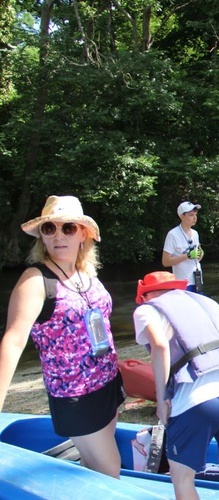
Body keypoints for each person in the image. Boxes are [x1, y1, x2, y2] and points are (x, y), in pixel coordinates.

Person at [0, 195, 125, 478]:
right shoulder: (35, 280)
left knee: (93, 467)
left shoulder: (86, 271)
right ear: (41, 237)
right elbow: (13, 340)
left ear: (83, 234)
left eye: (68, 227)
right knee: (110, 468)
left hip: (108, 382)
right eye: (50, 228)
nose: (58, 236)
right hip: (75, 395)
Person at [133, 272, 219, 499]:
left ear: (146, 295)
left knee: (182, 479)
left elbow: (160, 346)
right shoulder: (206, 302)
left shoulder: (147, 309)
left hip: (196, 401)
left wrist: (161, 400)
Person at [163, 201, 205, 293]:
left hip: (198, 280)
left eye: (195, 214)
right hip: (183, 283)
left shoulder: (195, 233)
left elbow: (197, 258)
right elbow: (165, 262)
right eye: (191, 215)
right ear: (182, 216)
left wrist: (200, 254)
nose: (194, 218)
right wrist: (187, 256)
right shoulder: (172, 234)